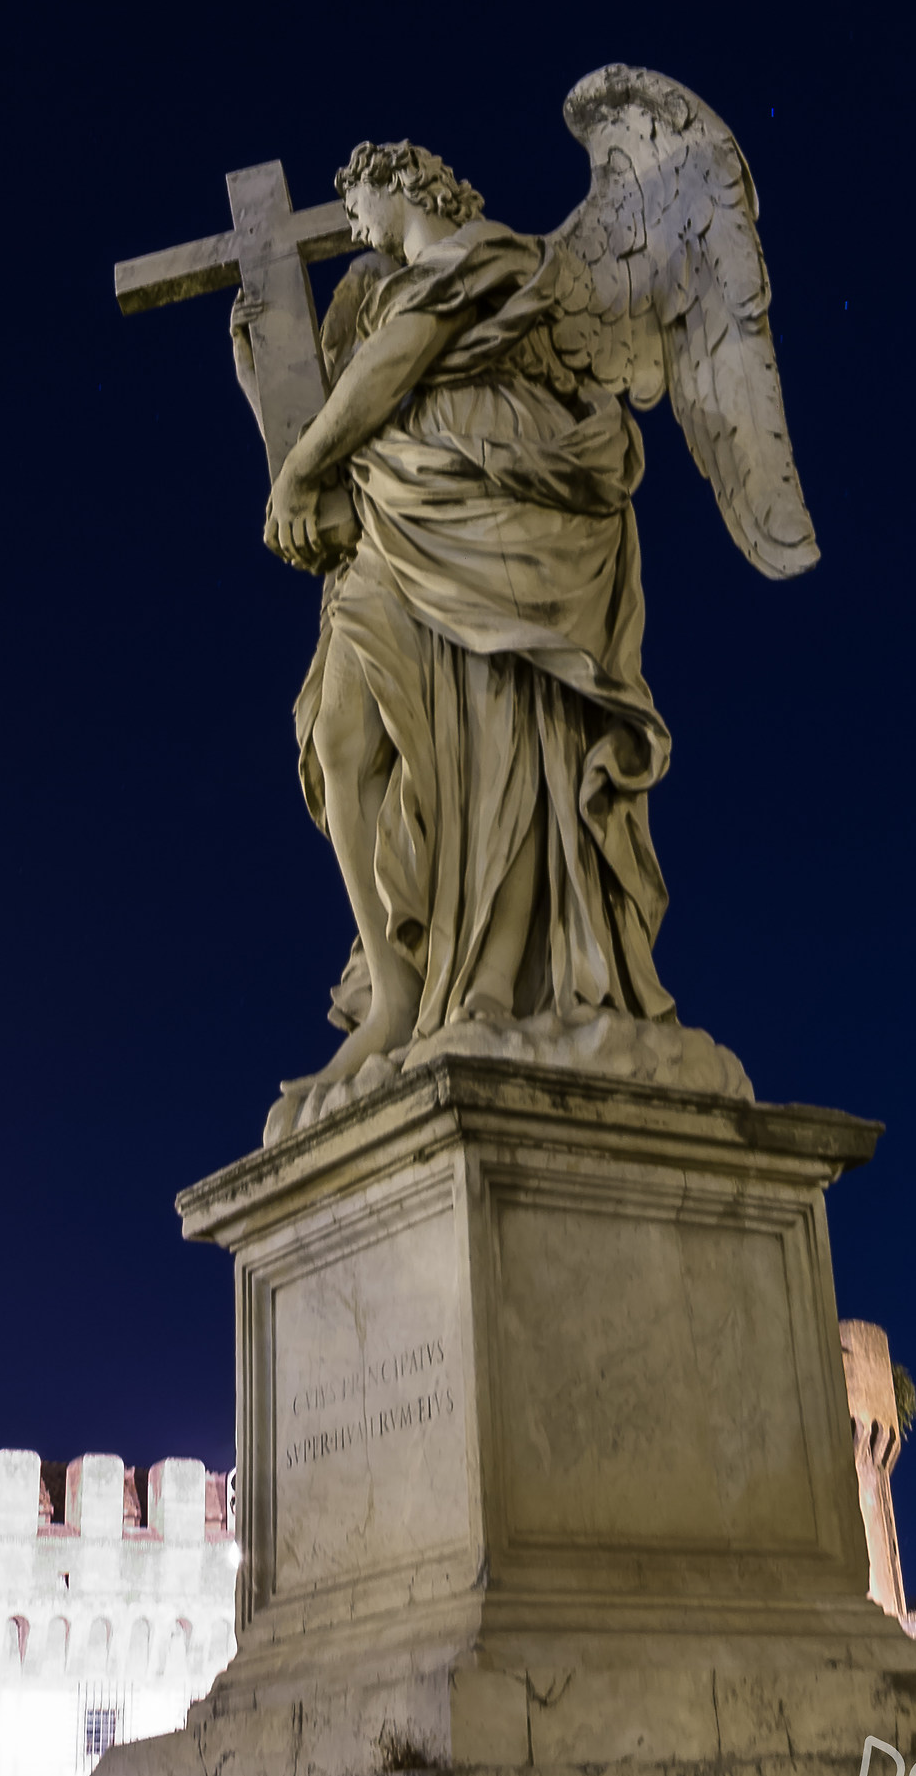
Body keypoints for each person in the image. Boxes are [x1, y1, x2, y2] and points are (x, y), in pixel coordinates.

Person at [256, 140, 675, 1113]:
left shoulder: (490, 256)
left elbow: (382, 381)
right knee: (340, 738)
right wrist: (261, 385)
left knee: (491, 746)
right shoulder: (386, 288)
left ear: (406, 184)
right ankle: (399, 993)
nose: (351, 224)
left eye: (358, 201)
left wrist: (299, 469)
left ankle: (488, 979)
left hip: (493, 526)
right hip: (401, 521)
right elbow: (335, 448)